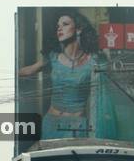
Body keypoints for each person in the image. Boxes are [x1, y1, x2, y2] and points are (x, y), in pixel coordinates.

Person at [19, 11, 99, 140]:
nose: (59, 29)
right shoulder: (53, 57)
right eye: (58, 26)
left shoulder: (93, 61)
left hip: (76, 126)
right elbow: (27, 71)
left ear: (78, 29)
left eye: (65, 24)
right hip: (51, 123)